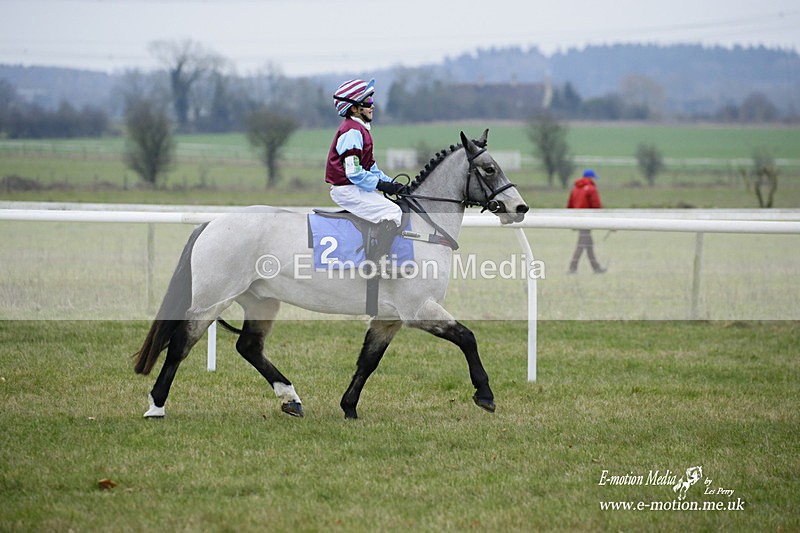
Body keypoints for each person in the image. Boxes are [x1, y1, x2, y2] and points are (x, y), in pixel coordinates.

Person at [325, 78, 406, 271]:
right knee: (393, 212)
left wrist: (392, 183)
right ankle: (375, 263)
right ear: (354, 108)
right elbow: (354, 173)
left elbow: (372, 169)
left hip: (354, 187)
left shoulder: (360, 130)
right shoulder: (351, 132)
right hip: (346, 189)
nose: (373, 106)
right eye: (368, 101)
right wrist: (380, 185)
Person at [567, 169, 606, 274]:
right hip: (587, 220)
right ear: (590, 178)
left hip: (577, 219)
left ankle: (596, 267)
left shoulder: (575, 189)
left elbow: (570, 205)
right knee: (582, 244)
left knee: (589, 245)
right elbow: (596, 205)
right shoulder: (592, 189)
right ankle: (572, 267)